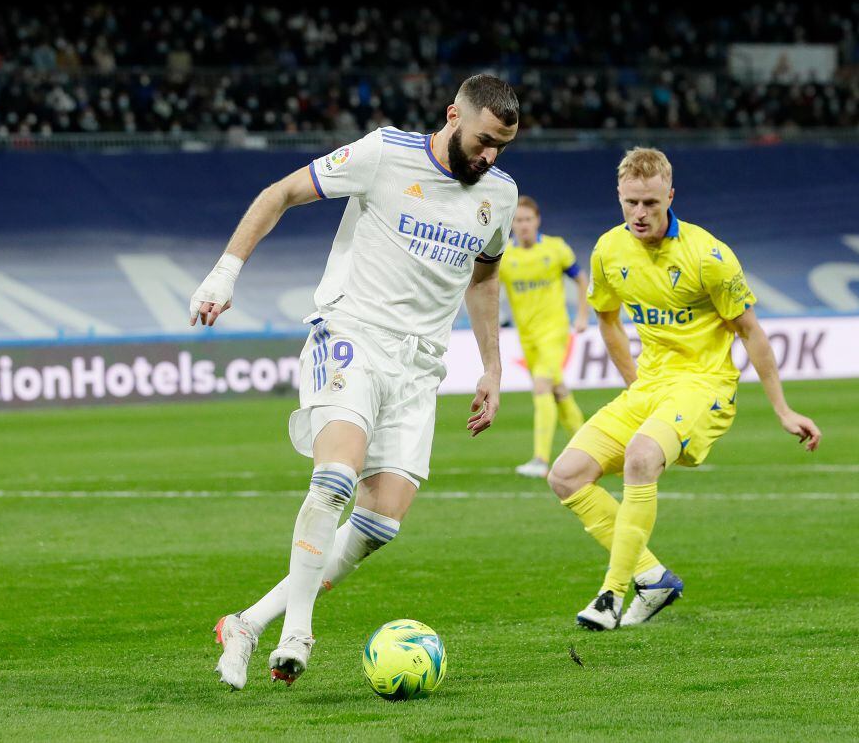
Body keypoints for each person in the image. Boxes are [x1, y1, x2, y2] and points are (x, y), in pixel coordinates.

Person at [191, 74, 520, 688]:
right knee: (335, 477)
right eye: (482, 141)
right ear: (453, 115)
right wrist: (223, 275)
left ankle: (246, 622)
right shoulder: (384, 153)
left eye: (501, 146)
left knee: (380, 522)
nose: (489, 156)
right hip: (352, 333)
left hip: (420, 365)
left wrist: (492, 367)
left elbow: (483, 279)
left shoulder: (498, 195)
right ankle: (298, 631)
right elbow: (280, 192)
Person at [546, 148, 822, 630]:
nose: (640, 213)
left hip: (705, 386)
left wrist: (782, 408)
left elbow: (751, 331)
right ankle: (653, 577)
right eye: (631, 202)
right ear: (619, 195)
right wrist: (635, 382)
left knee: (639, 456)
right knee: (565, 476)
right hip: (652, 386)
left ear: (670, 196)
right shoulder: (609, 250)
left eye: (651, 203)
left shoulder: (708, 256)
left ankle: (611, 595)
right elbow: (607, 319)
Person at [498, 195, 589, 478]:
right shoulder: (505, 256)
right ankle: (590, 448)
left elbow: (580, 277)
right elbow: (485, 287)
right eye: (518, 220)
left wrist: (584, 315)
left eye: (527, 219)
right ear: (511, 223)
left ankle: (540, 459)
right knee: (558, 392)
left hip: (555, 332)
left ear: (537, 221)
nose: (523, 225)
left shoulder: (555, 248)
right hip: (527, 337)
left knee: (541, 386)